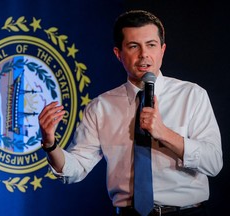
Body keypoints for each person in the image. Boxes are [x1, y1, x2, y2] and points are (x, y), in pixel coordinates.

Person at [38, 10, 223, 216]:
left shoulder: (192, 95)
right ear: (118, 54)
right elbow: (75, 169)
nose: (144, 54)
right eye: (134, 46)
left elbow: (213, 163)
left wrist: (163, 133)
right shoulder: (101, 107)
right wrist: (50, 144)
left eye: (151, 45)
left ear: (162, 50)